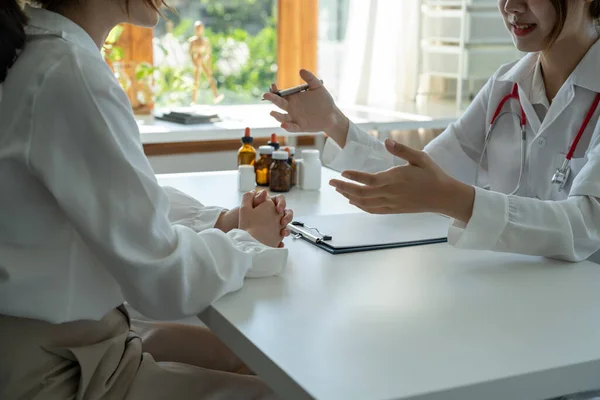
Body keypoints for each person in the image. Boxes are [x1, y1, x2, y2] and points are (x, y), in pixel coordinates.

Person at [0, 1, 292, 399]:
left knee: (253, 359)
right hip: (62, 370)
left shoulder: (33, 52)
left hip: (65, 342)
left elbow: (125, 200)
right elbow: (166, 283)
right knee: (284, 388)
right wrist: (248, 242)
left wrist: (219, 223)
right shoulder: (68, 72)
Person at [265, 0, 600, 264]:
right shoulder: (505, 87)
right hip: (515, 291)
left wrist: (454, 199)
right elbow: (420, 176)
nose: (511, 5)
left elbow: (585, 226)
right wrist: (333, 122)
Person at [188, 20, 224, 104]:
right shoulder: (192, 41)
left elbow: (208, 54)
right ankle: (194, 100)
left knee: (210, 77)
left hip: (202, 61)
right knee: (196, 81)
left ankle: (216, 95)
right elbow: (190, 53)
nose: (199, 30)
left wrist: (209, 65)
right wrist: (194, 62)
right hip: (197, 61)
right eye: (197, 28)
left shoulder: (205, 41)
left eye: (200, 28)